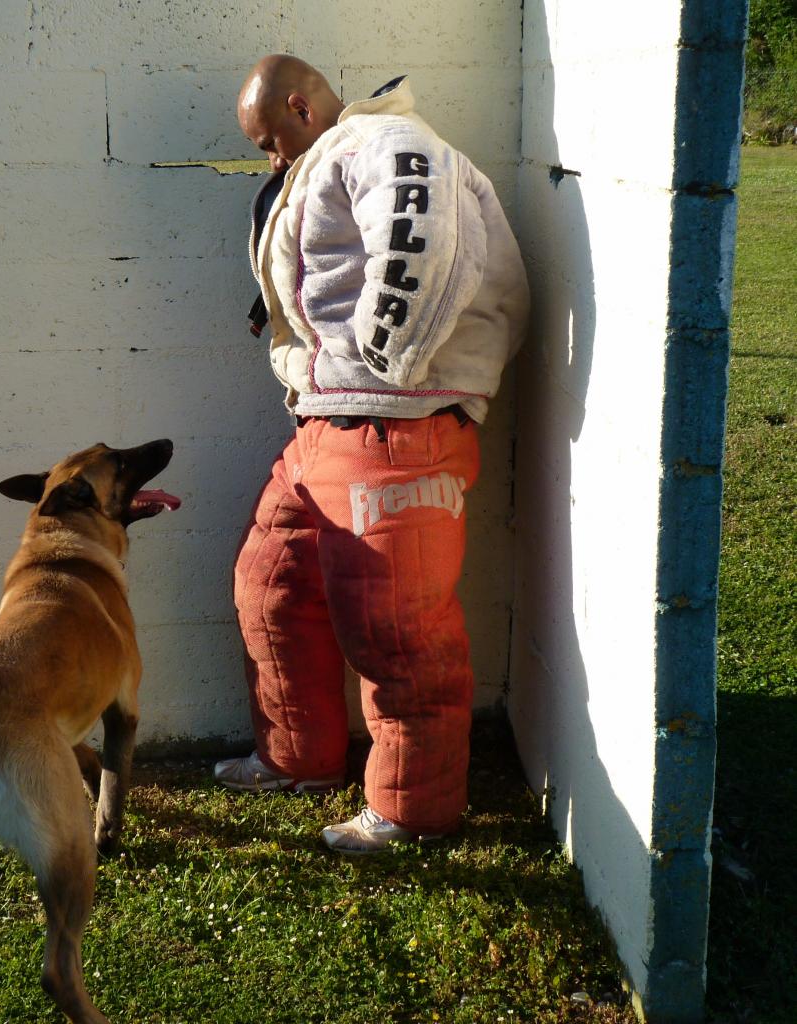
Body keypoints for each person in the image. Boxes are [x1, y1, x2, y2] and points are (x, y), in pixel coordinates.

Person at [214, 55, 529, 853]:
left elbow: (426, 234)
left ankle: (410, 812)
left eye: (268, 141)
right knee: (271, 581)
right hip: (332, 421)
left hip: (394, 424)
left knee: (396, 629)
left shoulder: (385, 141)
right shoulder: (337, 154)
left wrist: (383, 360)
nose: (269, 159)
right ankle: (299, 756)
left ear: (298, 105)